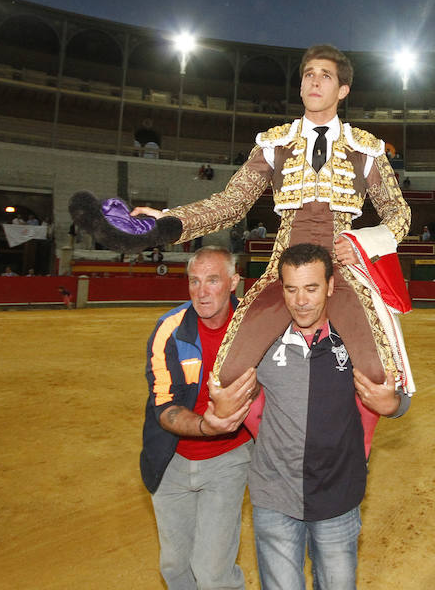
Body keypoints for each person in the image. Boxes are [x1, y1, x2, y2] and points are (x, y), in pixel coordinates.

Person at [127, 44, 413, 413]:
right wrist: (166, 221)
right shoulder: (274, 144)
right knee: (227, 378)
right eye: (308, 74)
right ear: (300, 86)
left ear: (343, 90)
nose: (314, 81)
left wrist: (363, 242)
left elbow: (398, 214)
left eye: (325, 75)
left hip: (340, 273)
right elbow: (231, 204)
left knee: (378, 379)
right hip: (283, 274)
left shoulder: (366, 150)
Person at [249, 243, 410, 590]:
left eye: (311, 288)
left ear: (331, 287)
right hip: (275, 495)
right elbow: (237, 398)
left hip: (338, 495)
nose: (301, 300)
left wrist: (393, 404)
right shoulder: (260, 339)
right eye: (291, 289)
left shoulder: (357, 339)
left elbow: (399, 397)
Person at [140, 246, 257, 590]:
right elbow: (164, 408)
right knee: (175, 567)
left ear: (234, 282)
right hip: (172, 458)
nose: (201, 291)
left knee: (212, 573)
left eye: (212, 280)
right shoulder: (169, 330)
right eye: (194, 281)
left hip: (229, 458)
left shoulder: (255, 327)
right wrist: (207, 425)